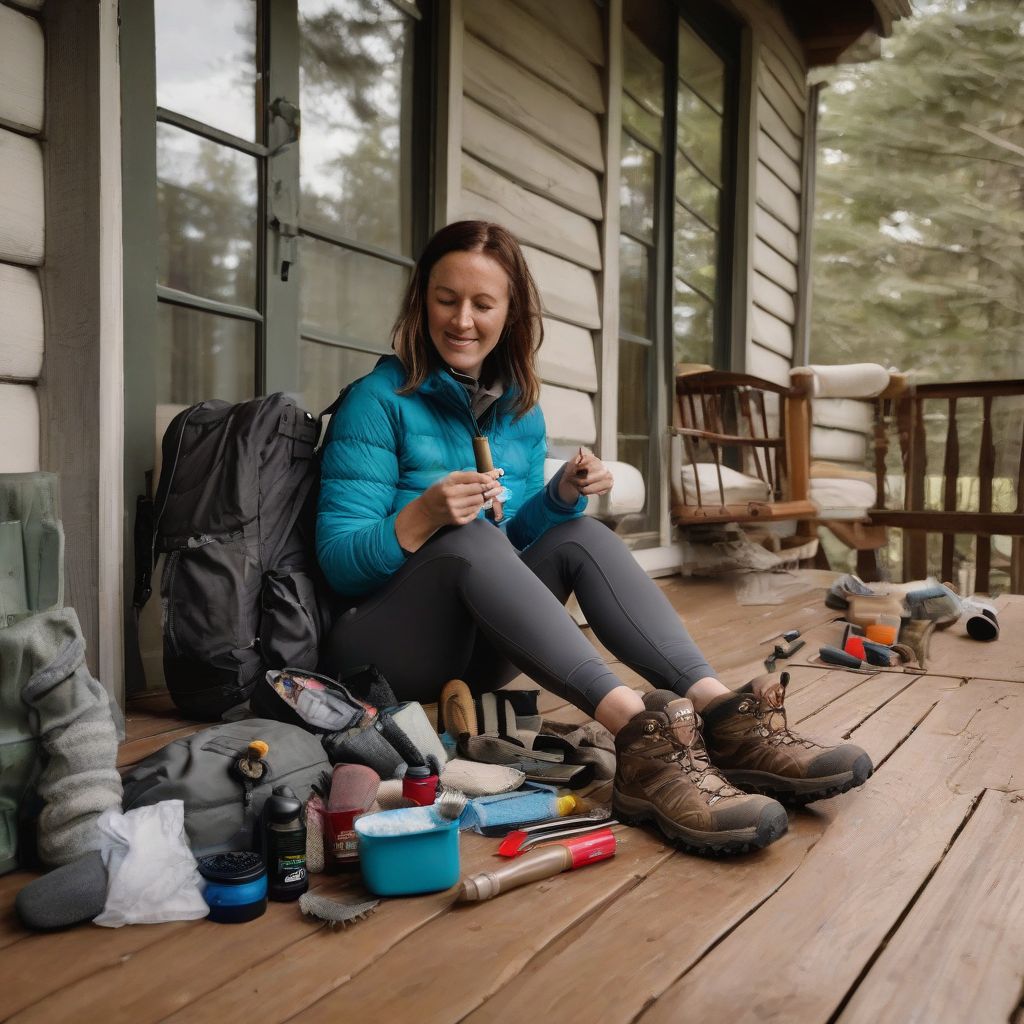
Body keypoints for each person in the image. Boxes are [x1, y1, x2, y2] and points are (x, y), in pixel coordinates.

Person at [317, 220, 871, 856]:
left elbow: (509, 547)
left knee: (579, 533)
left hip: (475, 652)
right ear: (421, 303)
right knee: (463, 539)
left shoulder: (517, 411)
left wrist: (559, 497)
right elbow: (339, 565)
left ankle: (723, 715)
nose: (462, 320)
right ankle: (640, 739)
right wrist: (421, 517)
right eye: (446, 299)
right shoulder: (376, 401)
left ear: (511, 312)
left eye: (482, 303)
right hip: (378, 653)